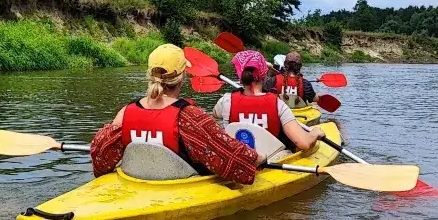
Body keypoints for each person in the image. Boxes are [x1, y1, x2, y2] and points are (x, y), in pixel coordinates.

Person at [89, 44, 264, 183]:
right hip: (179, 187)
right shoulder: (190, 117)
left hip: (137, 183)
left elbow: (100, 157)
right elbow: (233, 156)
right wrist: (259, 158)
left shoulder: (125, 112)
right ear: (182, 78)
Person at [214, 50, 324, 152]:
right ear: (263, 73)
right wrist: (314, 133)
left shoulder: (226, 101)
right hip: (272, 158)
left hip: (239, 158)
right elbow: (304, 144)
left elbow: (214, 117)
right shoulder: (278, 104)